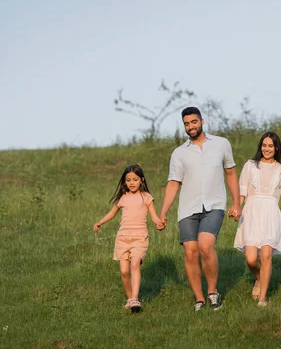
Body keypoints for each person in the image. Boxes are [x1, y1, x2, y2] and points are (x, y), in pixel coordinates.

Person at [158, 107, 242, 311]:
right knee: (190, 251)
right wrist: (162, 212)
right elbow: (173, 184)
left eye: (194, 122)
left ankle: (213, 292)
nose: (191, 127)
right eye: (186, 124)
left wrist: (237, 203)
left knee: (205, 246)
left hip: (214, 205)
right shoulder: (179, 153)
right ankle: (199, 299)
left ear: (202, 121)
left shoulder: (221, 144)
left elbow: (230, 173)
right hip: (188, 208)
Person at [233, 131, 281, 307]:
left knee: (265, 256)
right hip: (251, 215)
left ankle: (263, 298)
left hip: (271, 215)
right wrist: (237, 208)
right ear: (260, 146)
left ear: (276, 147)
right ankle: (259, 278)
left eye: (270, 146)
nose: (266, 149)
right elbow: (242, 191)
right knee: (250, 259)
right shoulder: (250, 166)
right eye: (264, 145)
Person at [93, 164, 164, 313]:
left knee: (135, 264)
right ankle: (130, 298)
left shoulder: (146, 198)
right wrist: (99, 222)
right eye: (128, 180)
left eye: (135, 179)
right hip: (122, 239)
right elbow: (112, 213)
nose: (131, 183)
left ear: (142, 180)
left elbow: (154, 216)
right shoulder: (123, 198)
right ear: (124, 182)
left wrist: (159, 223)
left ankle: (135, 299)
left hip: (139, 238)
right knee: (124, 271)